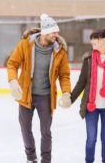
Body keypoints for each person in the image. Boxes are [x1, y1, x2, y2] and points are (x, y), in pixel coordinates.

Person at [7, 13, 71, 163]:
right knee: (25, 129)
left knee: (46, 132)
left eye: (57, 32)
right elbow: (12, 63)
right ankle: (31, 158)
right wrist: (13, 81)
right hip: (26, 94)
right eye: (54, 32)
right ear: (45, 31)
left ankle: (46, 160)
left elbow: (64, 75)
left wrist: (66, 92)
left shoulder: (59, 51)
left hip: (46, 97)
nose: (56, 34)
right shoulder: (25, 45)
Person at [70, 29, 105, 163]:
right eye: (92, 39)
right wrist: (70, 99)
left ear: (103, 40)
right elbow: (81, 82)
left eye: (95, 38)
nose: (92, 41)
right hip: (91, 107)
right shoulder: (88, 59)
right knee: (91, 139)